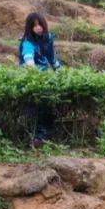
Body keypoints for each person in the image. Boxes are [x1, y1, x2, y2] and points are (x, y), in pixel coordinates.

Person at [18, 13, 62, 146]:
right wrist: (35, 75)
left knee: (50, 103)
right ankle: (38, 136)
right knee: (38, 105)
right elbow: (28, 59)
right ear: (30, 28)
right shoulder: (27, 42)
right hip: (31, 76)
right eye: (34, 25)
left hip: (44, 74)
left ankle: (46, 134)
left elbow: (52, 57)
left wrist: (61, 72)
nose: (38, 28)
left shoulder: (48, 38)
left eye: (40, 24)